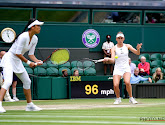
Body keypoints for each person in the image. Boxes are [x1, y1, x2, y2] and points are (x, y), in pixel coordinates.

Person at [0, 18, 44, 113]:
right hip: (9, 59)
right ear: (32, 27)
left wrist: (37, 61)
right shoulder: (23, 37)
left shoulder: (35, 39)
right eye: (38, 26)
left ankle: (29, 105)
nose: (40, 28)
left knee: (27, 81)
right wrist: (29, 63)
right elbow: (17, 53)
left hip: (17, 61)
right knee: (8, 81)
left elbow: (31, 54)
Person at [108, 31, 142, 104]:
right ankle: (118, 98)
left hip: (126, 68)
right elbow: (113, 59)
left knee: (127, 82)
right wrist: (108, 59)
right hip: (117, 68)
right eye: (118, 38)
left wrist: (138, 48)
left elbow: (137, 53)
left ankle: (131, 98)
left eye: (121, 38)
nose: (120, 39)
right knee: (115, 85)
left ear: (123, 39)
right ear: (116, 39)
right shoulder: (113, 48)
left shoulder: (127, 46)